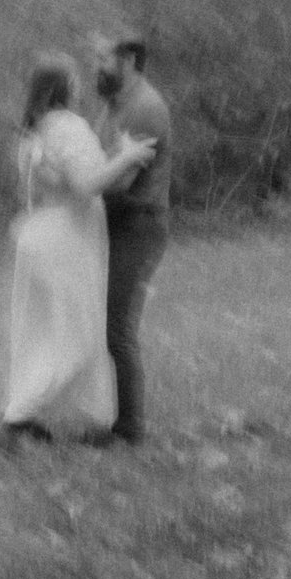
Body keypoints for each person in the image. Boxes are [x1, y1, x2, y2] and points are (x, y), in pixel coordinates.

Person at [0, 54, 156, 453]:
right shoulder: (67, 128)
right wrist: (128, 157)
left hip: (37, 235)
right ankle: (17, 421)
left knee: (38, 333)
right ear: (62, 89)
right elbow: (85, 186)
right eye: (74, 81)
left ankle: (30, 418)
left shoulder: (31, 133)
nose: (81, 87)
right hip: (66, 240)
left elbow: (63, 180)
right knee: (75, 335)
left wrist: (118, 155)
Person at [91, 28, 173, 447]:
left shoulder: (145, 109)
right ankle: (110, 416)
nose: (96, 67)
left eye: (103, 59)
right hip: (113, 225)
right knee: (102, 325)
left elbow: (120, 182)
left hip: (138, 227)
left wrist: (77, 191)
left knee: (117, 327)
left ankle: (129, 430)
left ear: (127, 62)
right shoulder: (113, 105)